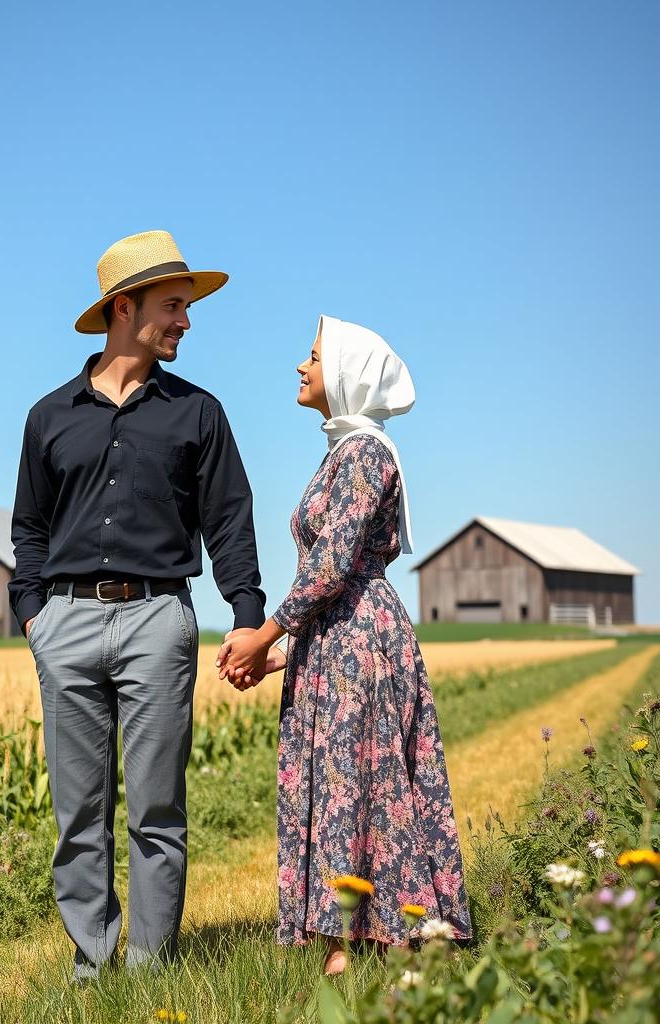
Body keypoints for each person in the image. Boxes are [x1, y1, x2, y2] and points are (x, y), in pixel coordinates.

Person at [9, 230, 266, 981]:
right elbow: (29, 526)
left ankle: (152, 968)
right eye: (173, 307)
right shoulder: (48, 417)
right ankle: (93, 967)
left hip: (158, 619)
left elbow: (229, 522)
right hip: (65, 620)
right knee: (77, 812)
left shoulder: (199, 414)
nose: (185, 322)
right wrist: (34, 613)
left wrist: (245, 615)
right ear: (125, 308)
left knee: (157, 809)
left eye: (186, 308)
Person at [217, 314, 471, 973]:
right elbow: (327, 576)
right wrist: (281, 655)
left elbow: (330, 566)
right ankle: (358, 940)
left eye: (312, 356)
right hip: (338, 635)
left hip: (362, 637)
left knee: (354, 778)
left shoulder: (365, 454)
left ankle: (362, 946)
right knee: (347, 776)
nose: (301, 367)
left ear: (345, 374)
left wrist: (264, 634)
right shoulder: (345, 452)